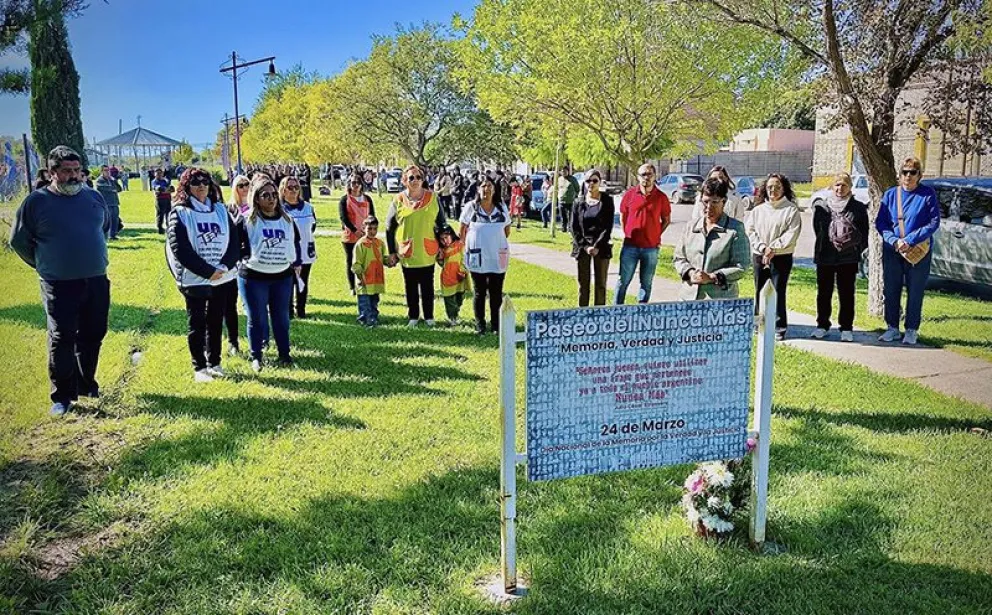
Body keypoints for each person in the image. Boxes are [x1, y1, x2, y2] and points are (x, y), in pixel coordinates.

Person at [9, 146, 110, 416]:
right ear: (52, 172)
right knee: (62, 337)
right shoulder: (36, 202)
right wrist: (44, 263)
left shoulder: (94, 197)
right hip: (58, 283)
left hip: (96, 279)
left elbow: (104, 228)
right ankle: (62, 396)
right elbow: (18, 241)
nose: (75, 176)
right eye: (67, 171)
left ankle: (85, 383)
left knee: (94, 333)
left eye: (77, 170)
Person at [166, 168, 240, 382]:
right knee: (197, 323)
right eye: (196, 182)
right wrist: (207, 271)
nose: (201, 186)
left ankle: (214, 362)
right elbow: (180, 248)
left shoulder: (220, 210)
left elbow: (234, 242)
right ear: (186, 186)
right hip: (194, 278)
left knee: (216, 321)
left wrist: (224, 267)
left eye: (205, 182)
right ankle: (199, 367)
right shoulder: (179, 212)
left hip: (222, 277)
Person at [237, 177, 302, 372]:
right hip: (254, 277)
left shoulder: (287, 220)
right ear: (256, 198)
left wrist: (296, 263)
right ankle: (256, 355)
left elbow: (295, 243)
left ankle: (284, 355)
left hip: (281, 277)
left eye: (274, 195)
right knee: (256, 318)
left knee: (281, 318)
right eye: (266, 195)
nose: (271, 199)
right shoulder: (248, 220)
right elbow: (237, 245)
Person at [875, 156, 940, 345]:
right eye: (905, 172)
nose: (908, 176)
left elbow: (934, 222)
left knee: (915, 290)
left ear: (920, 175)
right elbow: (881, 222)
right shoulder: (890, 195)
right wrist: (894, 240)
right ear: (900, 174)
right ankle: (892, 328)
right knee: (891, 289)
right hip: (893, 249)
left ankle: (911, 329)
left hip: (918, 250)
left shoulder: (927, 194)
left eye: (913, 173)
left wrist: (910, 239)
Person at [811, 173, 870, 342]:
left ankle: (846, 327)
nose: (840, 188)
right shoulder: (821, 207)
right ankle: (822, 325)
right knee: (824, 293)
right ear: (832, 186)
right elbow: (818, 229)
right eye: (837, 185)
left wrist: (855, 248)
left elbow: (864, 233)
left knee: (846, 293)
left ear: (850, 187)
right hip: (825, 256)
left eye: (844, 185)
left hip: (848, 258)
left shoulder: (858, 208)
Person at [385, 165, 446, 327]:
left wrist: (443, 248)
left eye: (418, 177)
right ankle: (413, 316)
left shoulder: (433, 198)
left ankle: (429, 317)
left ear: (423, 179)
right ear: (404, 180)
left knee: (428, 285)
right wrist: (391, 252)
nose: (415, 180)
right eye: (411, 177)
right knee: (410, 285)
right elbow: (389, 228)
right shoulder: (398, 200)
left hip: (428, 250)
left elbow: (442, 225)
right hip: (408, 251)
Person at [673, 178, 751, 300]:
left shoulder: (735, 229)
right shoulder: (690, 226)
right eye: (705, 202)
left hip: (719, 301)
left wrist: (712, 277)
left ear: (724, 202)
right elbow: (679, 258)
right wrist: (690, 273)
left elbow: (741, 266)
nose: (709, 207)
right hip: (688, 298)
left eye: (714, 202)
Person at [745, 173, 802, 340]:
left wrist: (773, 249)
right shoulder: (757, 210)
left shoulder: (791, 210)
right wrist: (763, 248)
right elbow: (750, 231)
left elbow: (791, 234)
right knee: (759, 289)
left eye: (777, 187)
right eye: (770, 187)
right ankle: (759, 322)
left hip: (781, 257)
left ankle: (779, 326)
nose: (773, 190)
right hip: (759, 255)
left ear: (784, 189)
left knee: (778, 291)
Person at [459, 174, 511, 334]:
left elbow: (507, 230)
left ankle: (496, 325)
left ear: (495, 189)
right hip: (477, 255)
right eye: (483, 186)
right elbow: (462, 230)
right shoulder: (471, 207)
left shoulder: (501, 207)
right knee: (480, 291)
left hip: (497, 255)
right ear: (478, 189)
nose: (486, 189)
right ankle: (480, 325)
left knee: (496, 292)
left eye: (489, 186)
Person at [615, 163, 672, 304]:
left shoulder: (661, 197)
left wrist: (656, 233)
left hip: (651, 248)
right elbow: (623, 217)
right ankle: (616, 311)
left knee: (646, 283)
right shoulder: (629, 195)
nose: (646, 177)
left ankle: (641, 312)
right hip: (630, 246)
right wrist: (627, 232)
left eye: (649, 174)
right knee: (623, 281)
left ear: (654, 176)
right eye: (643, 174)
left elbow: (666, 220)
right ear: (638, 177)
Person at [570, 169, 615, 307]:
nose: (591, 184)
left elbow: (608, 226)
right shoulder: (578, 202)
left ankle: (599, 313)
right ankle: (582, 312)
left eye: (594, 180)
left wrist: (596, 246)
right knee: (583, 284)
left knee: (601, 284)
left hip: (601, 247)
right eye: (588, 181)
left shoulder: (607, 200)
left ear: (600, 182)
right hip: (583, 247)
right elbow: (574, 227)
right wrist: (585, 246)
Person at [281, 176, 317, 319]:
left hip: (306, 251)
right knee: (288, 283)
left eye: (296, 187)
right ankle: (288, 311)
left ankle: (301, 310)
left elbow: (313, 226)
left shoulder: (308, 207)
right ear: (283, 190)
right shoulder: (280, 208)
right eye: (290, 187)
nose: (294, 190)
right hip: (287, 252)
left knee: (303, 281)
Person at [339, 173, 376, 295]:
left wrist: (368, 230)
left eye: (358, 183)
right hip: (350, 236)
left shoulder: (367, 199)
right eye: (353, 183)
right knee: (351, 261)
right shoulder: (345, 199)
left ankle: (365, 284)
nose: (355, 185)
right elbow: (343, 217)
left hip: (365, 235)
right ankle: (352, 287)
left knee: (366, 260)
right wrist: (355, 230)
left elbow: (372, 216)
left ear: (362, 184)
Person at [351, 216, 387, 326]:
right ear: (363, 228)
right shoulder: (361, 244)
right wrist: (360, 277)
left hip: (375, 279)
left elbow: (382, 258)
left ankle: (374, 318)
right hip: (364, 280)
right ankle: (365, 320)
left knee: (374, 301)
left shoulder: (380, 243)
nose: (372, 231)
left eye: (375, 229)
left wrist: (389, 260)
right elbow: (356, 264)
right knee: (365, 302)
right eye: (369, 229)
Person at [437, 224, 470, 325]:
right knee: (449, 299)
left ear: (452, 235)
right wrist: (440, 258)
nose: (445, 241)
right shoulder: (443, 250)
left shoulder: (460, 245)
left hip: (460, 276)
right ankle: (452, 317)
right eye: (442, 239)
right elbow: (442, 264)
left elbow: (465, 259)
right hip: (448, 276)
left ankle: (455, 313)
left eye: (446, 237)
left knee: (460, 297)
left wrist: (463, 270)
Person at [94, 165, 122, 240]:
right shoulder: (99, 180)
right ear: (101, 171)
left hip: (115, 202)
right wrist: (113, 189)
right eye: (105, 170)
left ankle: (113, 235)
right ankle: (106, 235)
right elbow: (103, 188)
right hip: (106, 203)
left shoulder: (112, 180)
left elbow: (119, 189)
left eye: (108, 170)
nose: (107, 172)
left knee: (115, 219)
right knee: (107, 220)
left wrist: (114, 181)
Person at [555, 167, 579, 232]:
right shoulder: (559, 179)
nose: (564, 173)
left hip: (571, 201)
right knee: (563, 216)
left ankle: (570, 228)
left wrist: (575, 196)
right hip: (561, 201)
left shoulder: (573, 179)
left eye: (565, 171)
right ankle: (563, 228)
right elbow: (557, 188)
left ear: (568, 172)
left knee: (571, 216)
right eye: (562, 171)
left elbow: (577, 189)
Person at [152, 169, 174, 234]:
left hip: (168, 200)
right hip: (160, 200)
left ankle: (169, 228)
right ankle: (160, 229)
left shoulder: (165, 181)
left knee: (169, 214)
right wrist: (166, 190)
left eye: (160, 173)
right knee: (160, 215)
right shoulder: (154, 181)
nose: (159, 174)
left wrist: (165, 190)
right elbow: (159, 189)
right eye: (157, 173)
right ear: (155, 174)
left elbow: (172, 189)